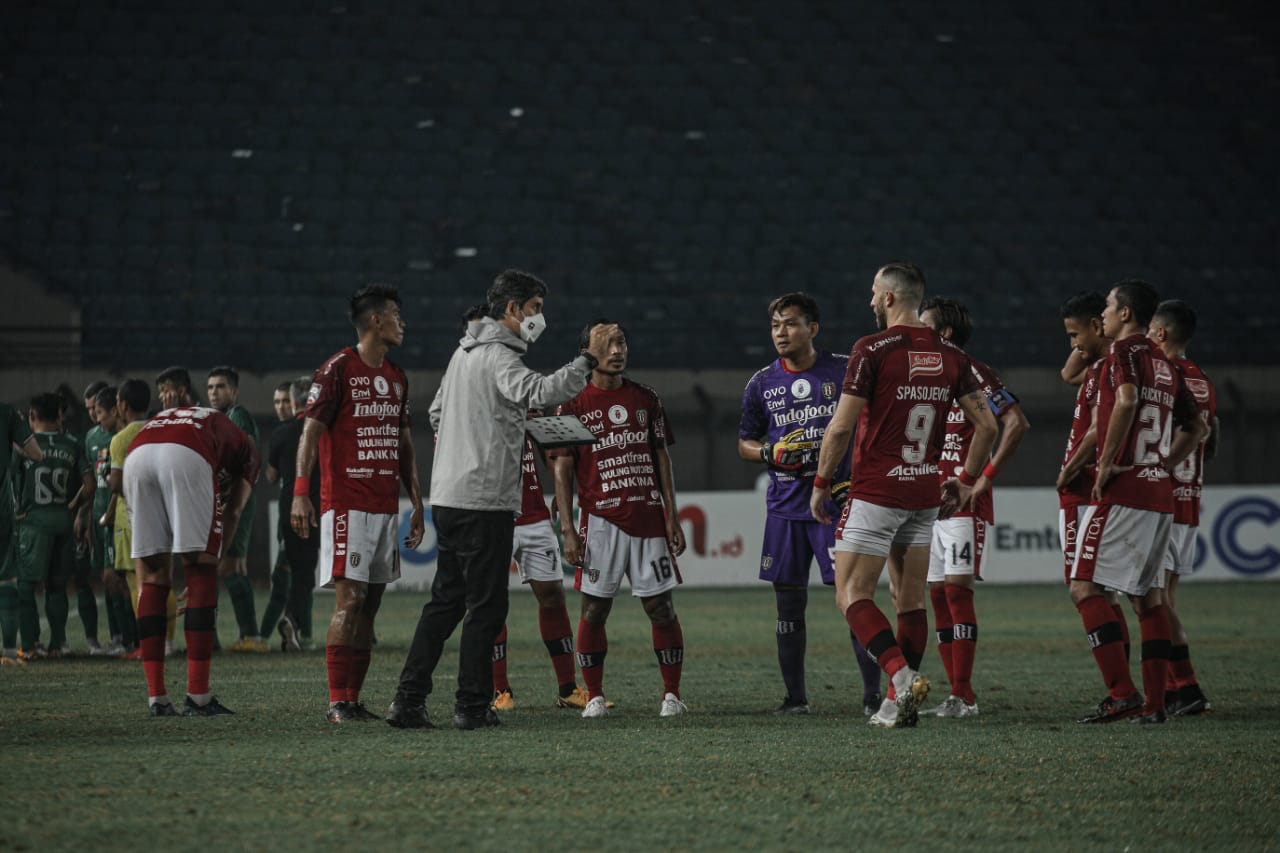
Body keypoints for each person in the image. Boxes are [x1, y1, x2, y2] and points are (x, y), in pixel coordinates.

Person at [388, 270, 610, 730]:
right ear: (511, 309)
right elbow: (540, 392)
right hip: (483, 498)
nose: (538, 318)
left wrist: (472, 436)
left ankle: (408, 701)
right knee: (486, 606)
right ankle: (471, 706)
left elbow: (435, 413)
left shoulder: (462, 354)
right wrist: (586, 359)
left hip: (449, 495)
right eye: (534, 309)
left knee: (445, 602)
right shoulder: (497, 355)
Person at [809, 262, 997, 729]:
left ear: (890, 298)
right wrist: (966, 479)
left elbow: (841, 426)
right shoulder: (952, 355)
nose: (871, 301)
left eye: (874, 293)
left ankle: (901, 675)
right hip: (925, 489)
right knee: (908, 600)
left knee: (851, 594)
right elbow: (988, 425)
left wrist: (820, 482)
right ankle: (897, 707)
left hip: (876, 489)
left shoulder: (872, 348)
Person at [737, 292, 883, 715]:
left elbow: (872, 423)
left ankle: (872, 696)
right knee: (787, 603)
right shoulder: (761, 382)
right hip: (785, 506)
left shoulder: (842, 370)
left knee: (854, 599)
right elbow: (744, 443)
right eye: (775, 325)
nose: (781, 333)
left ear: (812, 329)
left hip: (836, 505)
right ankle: (795, 698)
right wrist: (769, 453)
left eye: (791, 324)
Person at [1069, 280, 1207, 724]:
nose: (1104, 314)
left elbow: (1126, 400)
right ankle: (1153, 704)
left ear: (1125, 314)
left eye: (1109, 306)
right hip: (1158, 494)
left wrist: (1108, 462)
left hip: (1125, 491)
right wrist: (1163, 465)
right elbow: (1198, 426)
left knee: (1084, 587)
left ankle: (1122, 694)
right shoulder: (1166, 366)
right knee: (1149, 598)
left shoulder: (1124, 354)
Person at [293, 284, 425, 723]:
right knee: (349, 601)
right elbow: (310, 433)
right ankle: (336, 702)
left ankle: (351, 698)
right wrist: (300, 493)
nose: (402, 324)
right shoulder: (336, 369)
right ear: (375, 320)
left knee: (370, 605)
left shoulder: (397, 377)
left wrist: (417, 503)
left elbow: (405, 446)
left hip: (386, 506)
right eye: (396, 315)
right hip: (346, 505)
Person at [552, 318, 689, 719]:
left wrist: (672, 515)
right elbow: (561, 468)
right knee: (594, 610)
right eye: (608, 344)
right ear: (588, 351)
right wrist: (567, 527)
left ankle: (672, 695)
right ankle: (593, 694)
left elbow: (661, 456)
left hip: (647, 518)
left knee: (660, 607)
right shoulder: (570, 403)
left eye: (622, 342)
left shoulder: (647, 397)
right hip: (599, 521)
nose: (617, 350)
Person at [918, 297, 1030, 718]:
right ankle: (955, 695)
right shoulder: (927, 374)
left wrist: (981, 479)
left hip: (960, 501)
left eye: (925, 326)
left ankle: (964, 695)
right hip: (928, 502)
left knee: (957, 590)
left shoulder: (975, 372)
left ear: (944, 334)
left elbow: (1016, 422)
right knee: (935, 594)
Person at [125, 404, 260, 716]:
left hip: (137, 455)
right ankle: (198, 697)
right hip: (185, 455)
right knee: (201, 571)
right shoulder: (248, 451)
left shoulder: (188, 417)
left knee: (155, 577)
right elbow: (235, 511)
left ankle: (157, 699)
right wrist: (211, 563)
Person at [491, 425, 600, 712]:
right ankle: (499, 690)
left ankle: (567, 689)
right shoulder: (473, 402)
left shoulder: (526, 400)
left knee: (553, 595)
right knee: (491, 600)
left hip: (534, 515)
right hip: (491, 513)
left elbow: (550, 449)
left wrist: (557, 488)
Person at [1055, 293, 1134, 672]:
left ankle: (1120, 688)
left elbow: (1098, 428)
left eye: (1075, 334)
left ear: (1098, 325)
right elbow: (1067, 374)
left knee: (1083, 588)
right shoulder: (1102, 365)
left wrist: (1070, 468)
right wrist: (1087, 343)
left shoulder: (1110, 369)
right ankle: (1127, 683)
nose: (1072, 344)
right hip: (1090, 487)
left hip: (1083, 487)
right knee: (1107, 592)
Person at [1147, 299, 1218, 716]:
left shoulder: (1166, 375)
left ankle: (1187, 687)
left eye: (1151, 329)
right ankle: (1177, 688)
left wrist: (1161, 468)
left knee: (1156, 600)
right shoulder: (1203, 380)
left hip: (1164, 498)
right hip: (1190, 496)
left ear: (1161, 333)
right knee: (1165, 597)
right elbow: (1211, 436)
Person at [12, 393, 94, 660]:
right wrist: (73, 504)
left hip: (33, 523)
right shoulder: (72, 443)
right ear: (59, 415)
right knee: (57, 585)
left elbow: (10, 482)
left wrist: (15, 513)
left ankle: (31, 645)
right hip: (62, 521)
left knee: (25, 586)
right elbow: (89, 485)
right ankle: (59, 644)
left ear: (32, 416)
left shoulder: (23, 445)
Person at [206, 366, 265, 652]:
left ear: (234, 391)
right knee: (234, 567)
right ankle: (249, 636)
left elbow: (250, 455)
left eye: (220, 387)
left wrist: (231, 492)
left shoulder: (237, 415)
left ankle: (251, 636)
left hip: (238, 500)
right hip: (233, 499)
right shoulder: (223, 419)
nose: (214, 392)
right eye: (210, 387)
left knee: (228, 566)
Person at [266, 377, 319, 651]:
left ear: (293, 400)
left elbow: (271, 476)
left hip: (289, 511)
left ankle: (294, 627)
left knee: (298, 572)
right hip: (317, 509)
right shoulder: (322, 431)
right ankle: (292, 621)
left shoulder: (280, 434)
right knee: (306, 576)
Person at [0, 400, 41, 665]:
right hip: (2, 509)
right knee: (6, 578)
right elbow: (36, 453)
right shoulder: (6, 413)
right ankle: (7, 651)